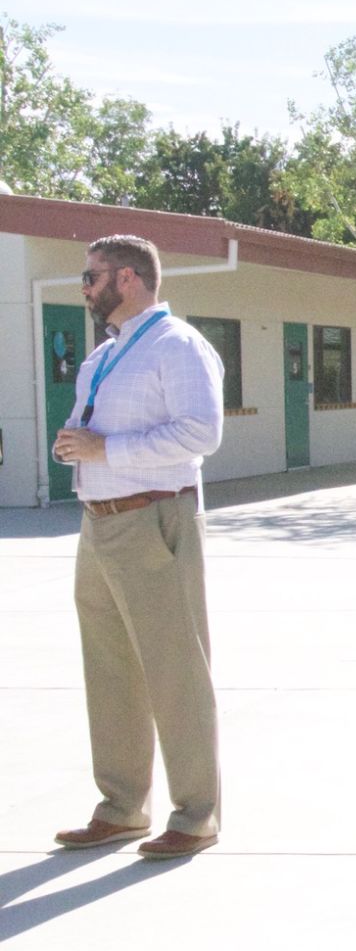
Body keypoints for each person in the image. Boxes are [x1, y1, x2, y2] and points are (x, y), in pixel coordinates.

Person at [52, 234, 225, 860]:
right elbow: (105, 434)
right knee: (110, 671)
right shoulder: (105, 355)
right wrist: (78, 446)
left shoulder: (177, 344)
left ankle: (197, 815)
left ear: (127, 278)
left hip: (154, 518)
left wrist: (106, 449)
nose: (84, 287)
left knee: (176, 671)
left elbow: (201, 433)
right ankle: (122, 807)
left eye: (91, 276)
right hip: (99, 523)